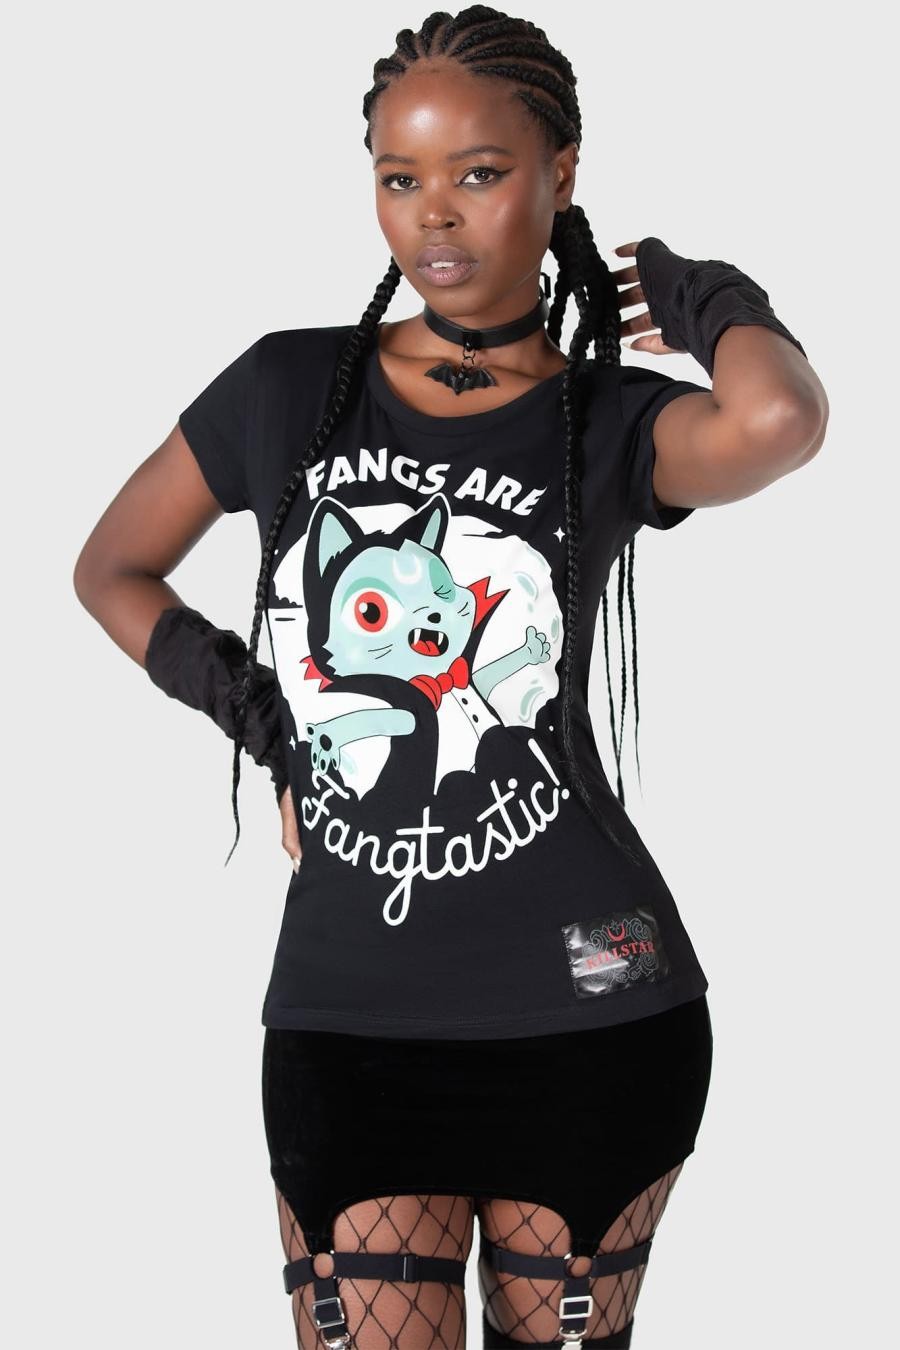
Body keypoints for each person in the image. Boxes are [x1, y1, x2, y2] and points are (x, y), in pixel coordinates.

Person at [73, 7, 828, 1348]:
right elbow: (111, 568)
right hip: (350, 1020)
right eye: (399, 176)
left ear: (560, 173)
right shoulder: (288, 384)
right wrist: (273, 729)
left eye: (479, 172)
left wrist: (707, 294)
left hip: (595, 1009)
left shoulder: (612, 416)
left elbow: (778, 418)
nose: (434, 214)